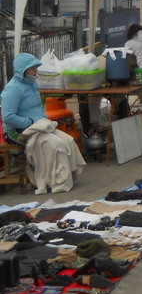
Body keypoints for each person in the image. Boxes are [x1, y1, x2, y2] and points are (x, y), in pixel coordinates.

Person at [1, 53, 86, 194]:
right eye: (33, 68)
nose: (36, 70)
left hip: (40, 126)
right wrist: (29, 122)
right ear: (23, 70)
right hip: (17, 131)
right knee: (54, 145)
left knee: (68, 141)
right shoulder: (13, 89)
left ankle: (67, 178)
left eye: (36, 67)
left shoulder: (32, 84)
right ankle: (55, 181)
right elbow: (8, 117)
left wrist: (40, 121)